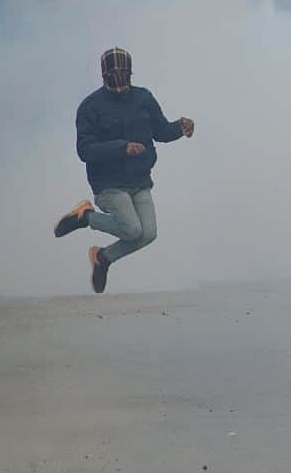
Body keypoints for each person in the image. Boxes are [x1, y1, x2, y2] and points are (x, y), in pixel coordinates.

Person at [54, 47, 195, 293]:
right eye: (113, 73)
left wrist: (180, 128)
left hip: (140, 179)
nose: (118, 78)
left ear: (131, 73)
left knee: (148, 234)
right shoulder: (90, 106)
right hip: (108, 182)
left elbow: (160, 131)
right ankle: (85, 217)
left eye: (123, 73)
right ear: (103, 75)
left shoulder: (144, 98)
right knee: (132, 229)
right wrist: (122, 148)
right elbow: (84, 150)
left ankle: (103, 258)